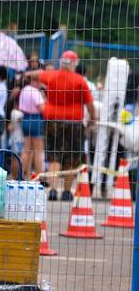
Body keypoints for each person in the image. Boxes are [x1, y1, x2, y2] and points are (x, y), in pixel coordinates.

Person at [38, 51, 96, 201]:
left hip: (53, 121)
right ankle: (67, 192)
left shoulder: (51, 75)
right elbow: (90, 104)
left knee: (53, 157)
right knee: (71, 157)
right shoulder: (80, 81)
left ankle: (52, 189)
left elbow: (37, 75)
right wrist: (93, 119)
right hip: (74, 123)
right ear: (74, 64)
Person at [18, 72, 45, 180]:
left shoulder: (24, 90)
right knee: (38, 151)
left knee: (26, 150)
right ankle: (40, 177)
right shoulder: (36, 92)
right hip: (36, 119)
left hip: (25, 118)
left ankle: (21, 175)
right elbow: (42, 108)